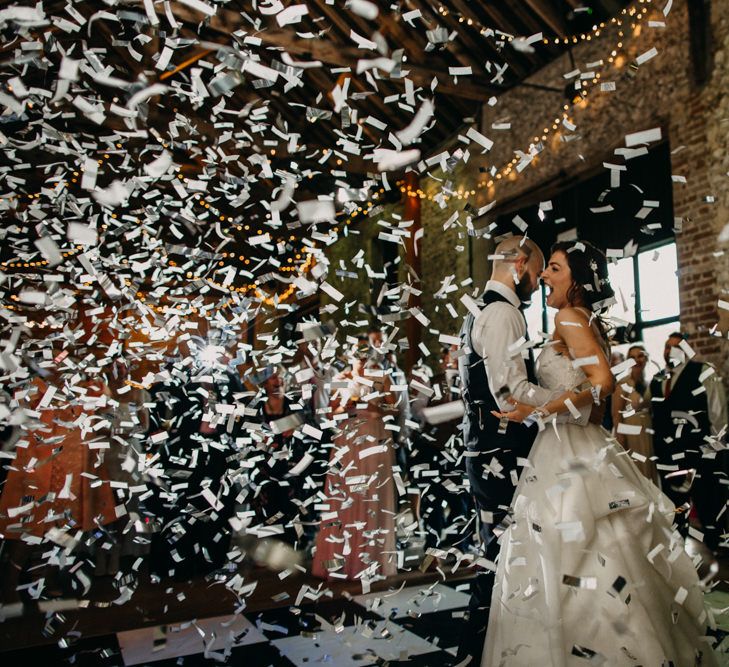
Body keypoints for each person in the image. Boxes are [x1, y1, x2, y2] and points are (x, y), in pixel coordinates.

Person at [484, 241, 716, 666]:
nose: (545, 277)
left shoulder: (569, 317)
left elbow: (603, 382)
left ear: (575, 282)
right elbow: (590, 393)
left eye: (554, 269)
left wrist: (537, 408)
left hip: (569, 450)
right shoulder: (583, 320)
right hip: (576, 444)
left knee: (571, 549)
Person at [455, 235, 567, 664]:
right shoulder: (503, 314)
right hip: (503, 453)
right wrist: (564, 404)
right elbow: (510, 395)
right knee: (503, 557)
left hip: (483, 449)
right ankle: (480, 653)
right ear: (518, 264)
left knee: (500, 554)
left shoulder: (478, 313)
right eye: (536, 274)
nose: (538, 284)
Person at [311, 338, 398, 581]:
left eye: (364, 353)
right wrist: (347, 407)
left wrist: (375, 407)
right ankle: (340, 560)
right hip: (347, 443)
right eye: (356, 353)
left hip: (373, 440)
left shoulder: (381, 377)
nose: (360, 358)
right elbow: (329, 413)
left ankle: (370, 560)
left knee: (371, 494)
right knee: (346, 495)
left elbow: (396, 409)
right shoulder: (342, 377)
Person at [650, 332, 728, 553]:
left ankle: (719, 552)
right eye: (667, 346)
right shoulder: (657, 380)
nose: (670, 351)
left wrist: (713, 449)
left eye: (676, 346)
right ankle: (678, 553)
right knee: (675, 507)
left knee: (709, 503)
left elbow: (718, 413)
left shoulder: (703, 372)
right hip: (668, 456)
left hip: (700, 451)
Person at [612, 344, 658, 483]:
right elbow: (616, 416)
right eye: (632, 357)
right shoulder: (623, 384)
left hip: (649, 433)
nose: (637, 360)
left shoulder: (650, 383)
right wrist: (622, 442)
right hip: (631, 435)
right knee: (637, 476)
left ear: (646, 359)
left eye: (640, 356)